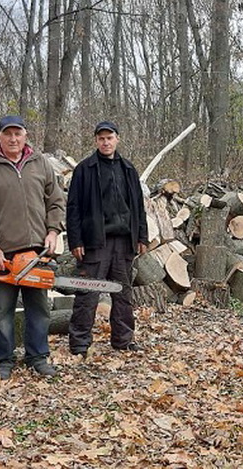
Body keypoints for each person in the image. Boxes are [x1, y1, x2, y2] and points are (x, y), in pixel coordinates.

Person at [0, 115, 66, 379]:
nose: (13, 139)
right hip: (4, 252)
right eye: (7, 134)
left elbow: (56, 201)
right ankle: (3, 359)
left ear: (25, 135)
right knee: (3, 309)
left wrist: (53, 231)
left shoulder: (41, 163)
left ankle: (37, 356)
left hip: (38, 249)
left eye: (18, 134)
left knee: (39, 307)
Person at [66, 120, 148, 357]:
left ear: (117, 139)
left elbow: (138, 207)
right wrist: (76, 241)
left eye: (109, 138)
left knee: (123, 295)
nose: (105, 142)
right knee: (87, 295)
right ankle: (79, 343)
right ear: (96, 141)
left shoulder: (128, 169)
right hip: (95, 242)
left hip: (124, 243)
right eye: (101, 138)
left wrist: (142, 236)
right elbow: (73, 208)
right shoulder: (85, 169)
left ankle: (123, 340)